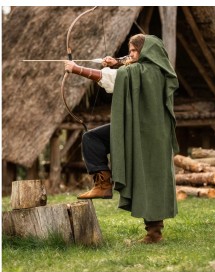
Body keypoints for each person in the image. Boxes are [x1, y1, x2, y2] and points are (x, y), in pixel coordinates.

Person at [64, 34, 179, 244]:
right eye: (131, 50)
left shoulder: (141, 72)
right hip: (141, 130)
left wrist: (76, 69)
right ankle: (103, 183)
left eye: (135, 50)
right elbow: (127, 71)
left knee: (149, 179)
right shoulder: (158, 70)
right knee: (93, 139)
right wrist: (117, 62)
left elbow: (111, 78)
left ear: (147, 52)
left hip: (148, 135)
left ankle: (154, 234)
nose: (131, 54)